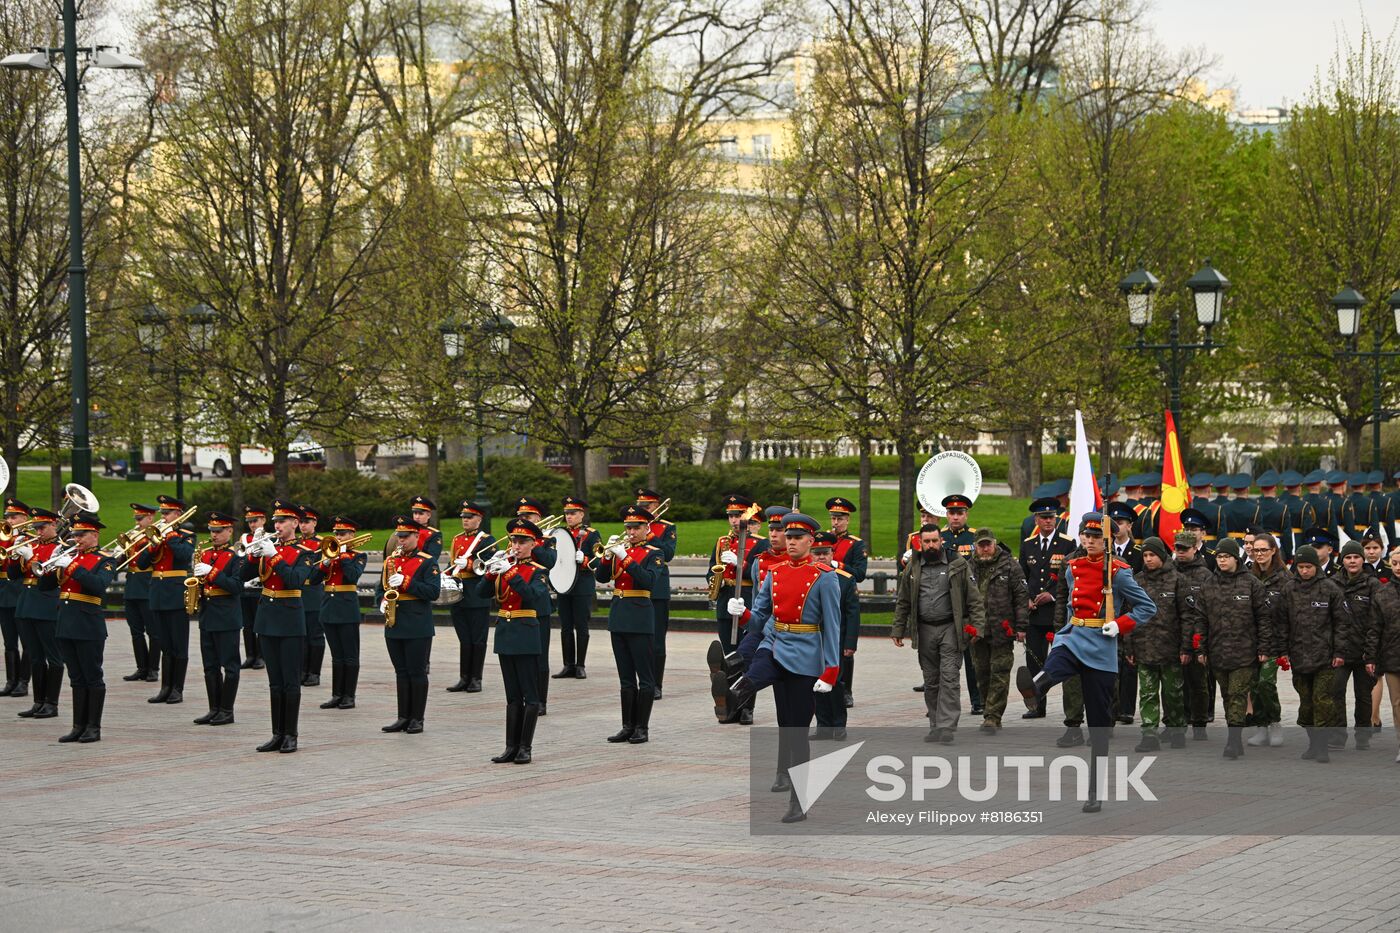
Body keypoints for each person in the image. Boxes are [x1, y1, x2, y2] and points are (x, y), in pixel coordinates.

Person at [1016, 512, 1157, 813]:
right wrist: (1067, 629)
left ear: (1106, 540)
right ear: (1080, 536)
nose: (1090, 541)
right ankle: (1035, 690)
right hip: (1075, 634)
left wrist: (1120, 624)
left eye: (1096, 537)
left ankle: (1094, 790)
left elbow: (1147, 607)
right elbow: (1069, 604)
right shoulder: (1072, 567)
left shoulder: (1118, 572)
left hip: (1103, 645)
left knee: (1099, 724)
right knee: (1056, 664)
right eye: (1086, 535)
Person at [718, 512, 843, 823]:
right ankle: (729, 697)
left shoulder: (824, 577)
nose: (790, 542)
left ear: (811, 542)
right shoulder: (774, 572)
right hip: (775, 644)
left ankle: (798, 801)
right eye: (788, 537)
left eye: (798, 537)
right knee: (755, 674)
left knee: (795, 729)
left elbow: (833, 627)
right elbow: (761, 619)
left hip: (805, 655)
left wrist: (830, 671)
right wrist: (744, 613)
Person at [891, 523, 985, 744]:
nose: (931, 545)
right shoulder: (913, 567)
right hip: (924, 630)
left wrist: (978, 627)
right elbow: (903, 601)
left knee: (950, 677)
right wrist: (897, 628)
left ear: (941, 541)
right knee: (931, 680)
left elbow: (974, 599)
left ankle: (946, 726)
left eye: (935, 541)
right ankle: (935, 724)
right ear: (920, 543)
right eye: (927, 542)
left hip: (950, 629)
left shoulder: (957, 564)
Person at [476, 518, 551, 765]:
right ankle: (510, 746)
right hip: (506, 634)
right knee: (512, 696)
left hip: (527, 633)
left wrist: (510, 573)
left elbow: (534, 598)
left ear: (534, 544)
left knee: (530, 695)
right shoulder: (504, 567)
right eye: (514, 541)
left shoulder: (538, 571)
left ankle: (525, 747)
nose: (516, 546)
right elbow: (479, 594)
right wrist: (490, 574)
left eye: (522, 542)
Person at [241, 500, 312, 753]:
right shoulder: (269, 547)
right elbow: (242, 575)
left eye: (282, 521)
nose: (278, 525)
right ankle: (276, 733)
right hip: (267, 617)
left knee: (290, 681)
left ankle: (290, 734)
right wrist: (253, 554)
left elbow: (295, 580)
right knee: (274, 682)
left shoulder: (304, 552)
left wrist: (275, 556)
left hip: (290, 619)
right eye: (275, 521)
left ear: (295, 523)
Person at [1198, 538, 1272, 759]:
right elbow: (1200, 619)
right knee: (1227, 696)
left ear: (1235, 558)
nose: (1222, 560)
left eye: (1226, 556)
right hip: (1217, 652)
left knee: (1238, 694)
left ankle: (1232, 741)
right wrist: (1200, 648)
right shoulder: (1208, 585)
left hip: (1244, 652)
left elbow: (1264, 618)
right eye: (1219, 557)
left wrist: (1264, 647)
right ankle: (1235, 738)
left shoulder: (1251, 584)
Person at [596, 505, 664, 744]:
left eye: (636, 527)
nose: (631, 532)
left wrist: (625, 558)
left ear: (647, 528)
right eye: (628, 527)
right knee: (625, 678)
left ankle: (642, 727)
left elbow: (648, 581)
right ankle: (627, 725)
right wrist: (607, 556)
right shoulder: (619, 550)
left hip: (640, 617)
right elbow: (602, 577)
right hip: (619, 616)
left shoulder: (654, 554)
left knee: (645, 677)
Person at [1279, 545, 1349, 762]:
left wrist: (1339, 652)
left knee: (1323, 701)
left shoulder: (1330, 589)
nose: (1304, 571)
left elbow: (1343, 623)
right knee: (1306, 704)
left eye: (1308, 567)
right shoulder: (1289, 590)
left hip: (1325, 658)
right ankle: (1313, 744)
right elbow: (1281, 623)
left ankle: (1322, 747)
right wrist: (1283, 652)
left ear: (1315, 567)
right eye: (1300, 567)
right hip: (1299, 657)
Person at [1124, 537, 1194, 751]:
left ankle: (1176, 729)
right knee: (1147, 693)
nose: (1148, 559)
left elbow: (1187, 616)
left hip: (1170, 649)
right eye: (1145, 556)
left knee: (1173, 693)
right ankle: (1149, 734)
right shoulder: (1136, 581)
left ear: (1162, 556)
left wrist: (1186, 647)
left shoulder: (1177, 580)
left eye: (1152, 555)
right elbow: (1129, 615)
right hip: (1144, 648)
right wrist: (1129, 646)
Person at [377, 515, 442, 734]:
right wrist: (382, 601)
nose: (401, 541)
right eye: (399, 537)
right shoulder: (391, 561)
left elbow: (432, 592)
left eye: (405, 537)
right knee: (401, 672)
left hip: (416, 623)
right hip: (394, 622)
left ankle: (417, 718)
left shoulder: (427, 561)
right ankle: (403, 716)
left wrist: (406, 582)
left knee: (416, 672)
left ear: (417, 535)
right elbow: (380, 588)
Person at [53, 514, 114, 743]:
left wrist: (73, 567)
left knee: (92, 676)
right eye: (74, 534)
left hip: (88, 624)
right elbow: (46, 586)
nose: (76, 538)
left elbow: (98, 586)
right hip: (66, 622)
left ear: (95, 535)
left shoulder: (105, 560)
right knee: (76, 677)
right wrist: (53, 564)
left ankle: (93, 727)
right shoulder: (70, 557)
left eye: (81, 534)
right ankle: (78, 726)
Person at [1018, 496, 1075, 719]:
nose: (1048, 521)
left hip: (1055, 612)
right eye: (1044, 518)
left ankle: (1069, 710)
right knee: (1034, 661)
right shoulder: (1028, 544)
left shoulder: (1067, 543)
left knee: (1060, 660)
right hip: (1034, 613)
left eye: (1051, 517)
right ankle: (1037, 706)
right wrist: (1027, 598)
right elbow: (1022, 577)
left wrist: (1050, 595)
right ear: (1036, 520)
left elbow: (1069, 578)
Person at [967, 528, 1027, 734]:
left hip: (1002, 628)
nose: (985, 549)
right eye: (981, 545)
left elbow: (1021, 597)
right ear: (975, 546)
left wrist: (1021, 627)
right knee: (981, 671)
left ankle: (993, 715)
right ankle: (987, 706)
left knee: (999, 672)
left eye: (988, 544)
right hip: (977, 630)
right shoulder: (967, 566)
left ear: (994, 544)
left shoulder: (1010, 565)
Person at [135, 495, 195, 705]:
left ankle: (177, 688)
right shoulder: (156, 536)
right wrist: (152, 545)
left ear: (178, 514)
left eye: (167, 513)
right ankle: (165, 688)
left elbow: (184, 556)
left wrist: (170, 538)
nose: (164, 517)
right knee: (164, 644)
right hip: (158, 594)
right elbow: (142, 564)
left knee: (179, 644)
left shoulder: (185, 535)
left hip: (176, 594)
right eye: (162, 513)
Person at [190, 512, 246, 726]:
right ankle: (214, 708)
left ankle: (227, 710)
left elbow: (236, 587)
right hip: (207, 614)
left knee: (230, 666)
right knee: (210, 666)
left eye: (218, 531)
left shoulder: (236, 557)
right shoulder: (203, 554)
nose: (214, 535)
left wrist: (212, 573)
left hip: (227, 616)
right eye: (212, 531)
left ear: (230, 531)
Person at [13, 507, 62, 718]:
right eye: (36, 528)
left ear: (53, 525)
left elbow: (50, 579)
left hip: (47, 605)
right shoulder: (30, 545)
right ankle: (38, 702)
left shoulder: (60, 548)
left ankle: (51, 703)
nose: (38, 531)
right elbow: (14, 575)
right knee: (34, 656)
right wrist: (16, 556)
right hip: (26, 604)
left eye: (42, 527)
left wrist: (31, 559)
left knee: (53, 656)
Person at [811, 531, 859, 741]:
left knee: (836, 683)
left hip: (836, 639)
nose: (821, 557)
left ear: (832, 553)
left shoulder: (845, 580)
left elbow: (852, 614)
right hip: (812, 639)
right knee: (816, 682)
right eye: (817, 553)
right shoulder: (806, 577)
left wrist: (850, 643)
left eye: (825, 553)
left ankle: (839, 725)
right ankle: (823, 725)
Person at [1333, 540, 1380, 750]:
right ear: (1342, 560)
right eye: (1348, 557)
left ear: (1363, 559)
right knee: (1336, 692)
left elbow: (1376, 621)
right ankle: (1337, 736)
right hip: (1339, 651)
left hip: (1363, 652)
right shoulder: (1332, 583)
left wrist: (1371, 655)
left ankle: (1363, 736)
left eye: (1356, 557)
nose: (1352, 561)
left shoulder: (1372, 585)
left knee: (1363, 697)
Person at [318, 516, 368, 710]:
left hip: (347, 608)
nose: (338, 537)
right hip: (328, 607)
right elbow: (312, 579)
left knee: (350, 655)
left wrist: (344, 557)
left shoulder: (358, 556)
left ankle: (349, 696)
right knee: (336, 656)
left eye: (343, 533)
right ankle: (336, 694)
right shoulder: (328, 554)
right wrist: (324, 564)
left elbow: (353, 576)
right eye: (336, 533)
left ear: (352, 535)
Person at [708, 495, 767, 656]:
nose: (734, 520)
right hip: (725, 599)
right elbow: (712, 568)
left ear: (747, 514)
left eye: (737, 515)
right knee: (727, 649)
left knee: (745, 650)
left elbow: (762, 574)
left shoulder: (761, 543)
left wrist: (741, 564)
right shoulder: (722, 541)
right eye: (730, 516)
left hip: (746, 600)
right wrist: (715, 581)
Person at [1247, 533, 1291, 747]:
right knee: (1253, 685)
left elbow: (1290, 614)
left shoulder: (1285, 578)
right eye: (1256, 550)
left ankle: (1274, 722)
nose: (1260, 554)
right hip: (1251, 640)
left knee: (1266, 683)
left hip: (1274, 641)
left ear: (1273, 550)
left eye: (1264, 550)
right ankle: (1261, 726)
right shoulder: (1248, 575)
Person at [446, 501, 494, 693]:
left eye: (470, 517)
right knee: (464, 638)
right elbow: (452, 565)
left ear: (479, 519)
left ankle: (476, 678)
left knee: (477, 639)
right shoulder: (457, 539)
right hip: (459, 593)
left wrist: (469, 564)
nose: (465, 521)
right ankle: (464, 677)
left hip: (477, 593)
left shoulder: (486, 540)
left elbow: (488, 567)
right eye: (464, 517)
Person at [553, 496, 600, 681]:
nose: (569, 517)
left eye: (573, 513)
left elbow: (599, 559)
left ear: (582, 514)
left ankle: (580, 665)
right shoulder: (561, 534)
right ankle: (568, 665)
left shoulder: (591, 534)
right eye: (566, 513)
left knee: (581, 625)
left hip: (582, 583)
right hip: (564, 584)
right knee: (565, 626)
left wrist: (586, 560)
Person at [635, 488, 676, 700]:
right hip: (636, 589)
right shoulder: (633, 527)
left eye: (646, 506)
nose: (643, 509)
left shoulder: (666, 528)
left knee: (657, 639)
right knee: (640, 640)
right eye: (640, 506)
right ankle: (643, 681)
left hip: (657, 589)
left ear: (656, 506)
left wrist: (651, 535)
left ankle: (656, 684)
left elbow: (668, 554)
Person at [828, 496, 867, 710]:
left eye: (840, 518)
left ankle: (846, 690)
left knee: (845, 649)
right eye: (833, 518)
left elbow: (860, 574)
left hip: (844, 595)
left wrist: (839, 564)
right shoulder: (823, 540)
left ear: (847, 519)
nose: (836, 522)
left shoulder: (855, 544)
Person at [1364, 555, 1400, 762]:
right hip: (1393, 656)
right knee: (1397, 702)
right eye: (1394, 563)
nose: (1397, 567)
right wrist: (1371, 656)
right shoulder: (1383, 593)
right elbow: (1374, 628)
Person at [119, 503, 160, 683]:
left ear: (150, 518)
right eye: (136, 518)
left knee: (153, 631)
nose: (136, 522)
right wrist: (120, 553)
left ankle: (153, 668)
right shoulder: (132, 535)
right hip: (132, 587)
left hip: (147, 585)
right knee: (136, 631)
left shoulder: (155, 536)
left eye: (140, 518)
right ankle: (141, 667)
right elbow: (123, 562)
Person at [0, 499, 32, 699]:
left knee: (27, 641)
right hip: (3, 592)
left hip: (21, 591)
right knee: (9, 641)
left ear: (24, 518)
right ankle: (11, 681)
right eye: (7, 517)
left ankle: (23, 682)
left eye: (14, 516)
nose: (10, 520)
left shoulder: (29, 538)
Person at [296, 505, 326, 687]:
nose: (303, 525)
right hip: (297, 591)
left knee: (314, 634)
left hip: (313, 592)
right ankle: (301, 670)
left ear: (314, 522)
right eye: (300, 522)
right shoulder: (296, 542)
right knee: (301, 635)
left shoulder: (321, 543)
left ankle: (314, 672)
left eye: (306, 522)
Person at [237, 506, 266, 670]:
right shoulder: (244, 537)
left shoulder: (269, 537)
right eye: (250, 522)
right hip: (246, 585)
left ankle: (261, 656)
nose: (252, 525)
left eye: (255, 521)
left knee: (259, 622)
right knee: (247, 624)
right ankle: (250, 655)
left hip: (260, 585)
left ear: (263, 520)